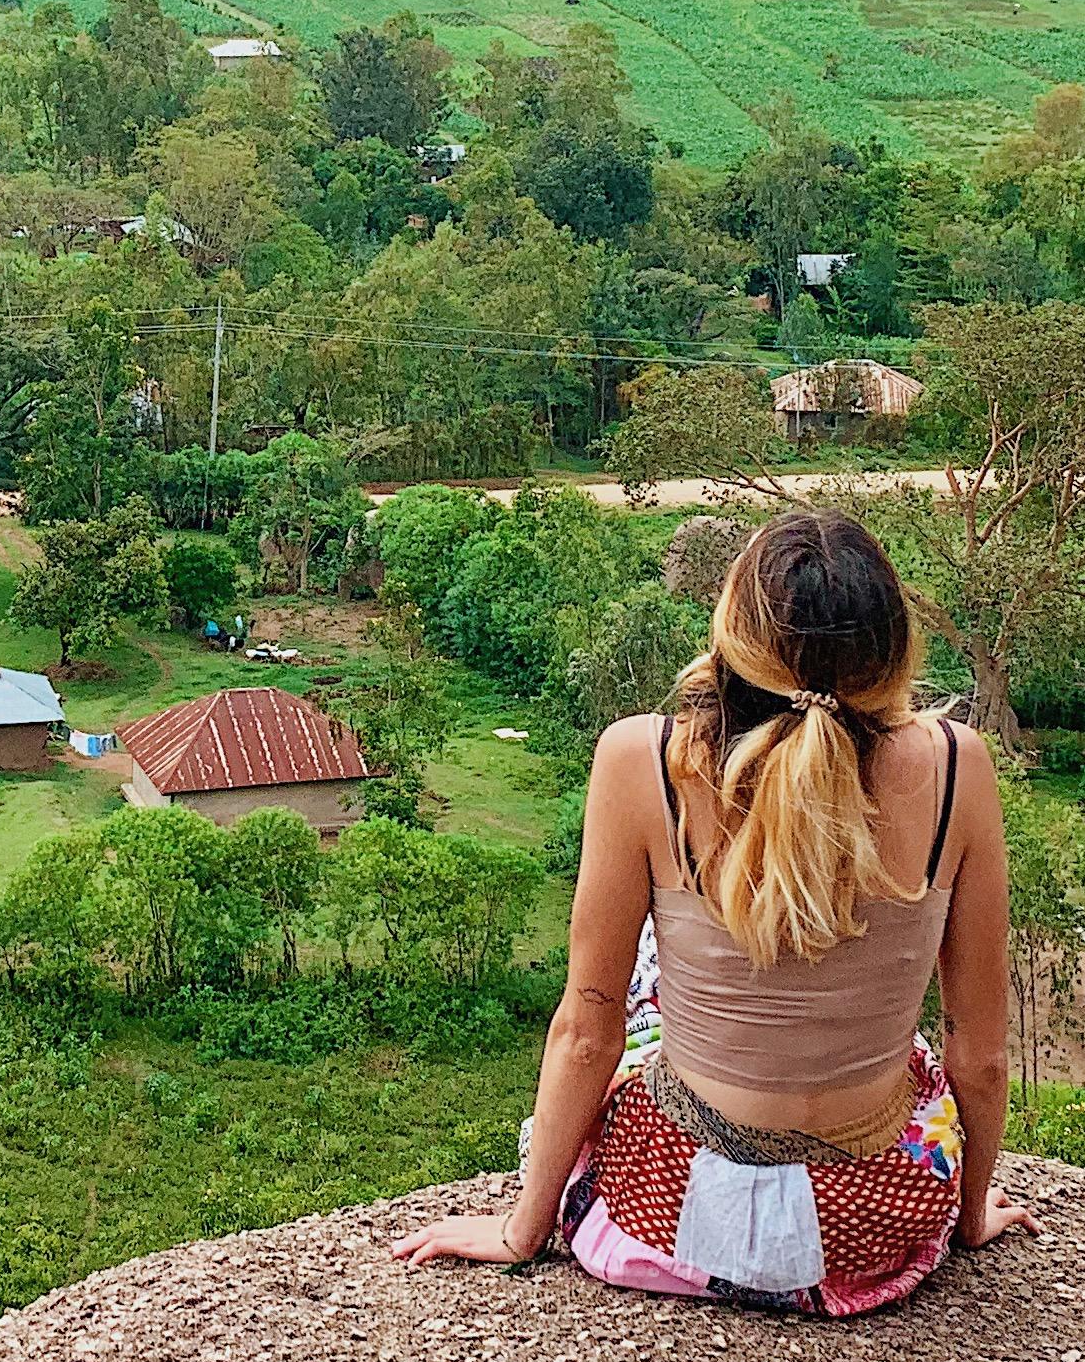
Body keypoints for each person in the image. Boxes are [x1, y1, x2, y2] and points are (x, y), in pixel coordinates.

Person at [392, 506, 1032, 1307]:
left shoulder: (644, 758)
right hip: (872, 1223)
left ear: (735, 633)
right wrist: (966, 1219)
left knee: (647, 983)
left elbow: (587, 1031)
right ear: (892, 649)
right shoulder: (958, 765)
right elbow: (981, 1054)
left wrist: (524, 1228)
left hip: (677, 1213)